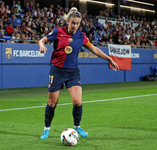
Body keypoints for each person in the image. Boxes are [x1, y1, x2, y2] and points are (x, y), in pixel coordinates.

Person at [38, 7, 119, 139]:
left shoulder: (81, 36)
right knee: (52, 103)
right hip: (57, 71)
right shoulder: (58, 32)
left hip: (73, 72)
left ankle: (77, 126)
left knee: (77, 101)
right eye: (73, 23)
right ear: (68, 21)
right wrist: (42, 46)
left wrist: (109, 58)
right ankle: (46, 129)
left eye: (77, 23)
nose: (75, 26)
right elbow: (42, 40)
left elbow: (95, 50)